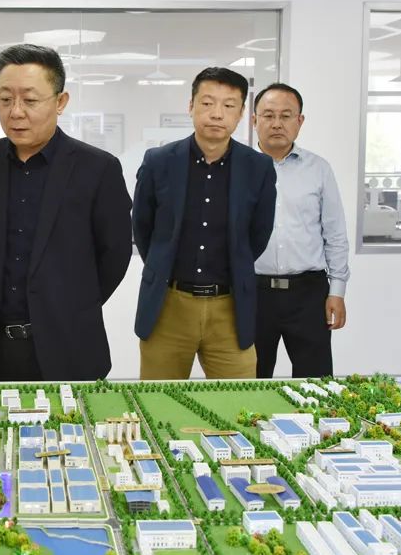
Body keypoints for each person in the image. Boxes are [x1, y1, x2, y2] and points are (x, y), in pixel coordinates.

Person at [0, 44, 132, 381]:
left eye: (30, 100)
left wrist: (73, 306)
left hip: (70, 343)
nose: (15, 112)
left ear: (60, 102)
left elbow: (114, 256)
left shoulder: (98, 168)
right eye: (5, 99)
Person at [133, 67, 276, 379]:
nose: (217, 114)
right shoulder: (159, 162)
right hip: (168, 305)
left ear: (241, 113)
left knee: (238, 401)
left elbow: (259, 234)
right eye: (208, 103)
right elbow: (142, 228)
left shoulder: (258, 167)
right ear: (191, 106)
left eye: (229, 105)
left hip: (230, 308)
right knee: (159, 401)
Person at [252, 84, 350, 378]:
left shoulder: (319, 169)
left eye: (286, 115)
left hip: (308, 293)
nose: (277, 123)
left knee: (314, 382)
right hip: (253, 292)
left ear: (300, 121)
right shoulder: (240, 168)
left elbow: (335, 234)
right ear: (254, 120)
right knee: (250, 381)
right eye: (268, 115)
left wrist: (337, 291)